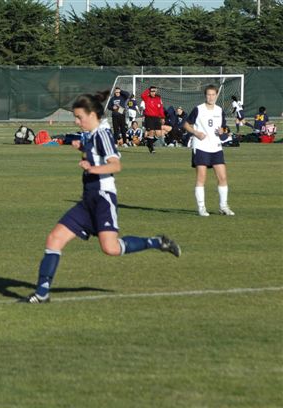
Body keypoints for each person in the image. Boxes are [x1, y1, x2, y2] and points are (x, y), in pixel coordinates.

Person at [20, 91, 181, 304]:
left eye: (79, 117)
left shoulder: (103, 134)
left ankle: (156, 242)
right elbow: (95, 155)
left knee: (111, 249)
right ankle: (42, 293)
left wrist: (91, 168)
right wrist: (83, 149)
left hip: (103, 199)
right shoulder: (92, 135)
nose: (77, 122)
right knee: (54, 239)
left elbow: (115, 165)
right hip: (87, 201)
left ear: (92, 115)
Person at [183, 84, 235, 217]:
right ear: (205, 96)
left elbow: (223, 128)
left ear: (216, 96)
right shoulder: (198, 109)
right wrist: (196, 133)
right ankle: (201, 208)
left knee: (222, 177)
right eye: (208, 94)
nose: (211, 97)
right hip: (201, 147)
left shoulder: (219, 110)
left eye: (213, 95)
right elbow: (186, 124)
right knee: (201, 178)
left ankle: (223, 206)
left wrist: (222, 131)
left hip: (216, 147)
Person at [141, 86, 165, 153]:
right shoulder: (147, 98)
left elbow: (161, 108)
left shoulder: (158, 98)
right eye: (151, 91)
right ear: (149, 91)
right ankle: (151, 148)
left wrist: (162, 117)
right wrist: (148, 89)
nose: (153, 92)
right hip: (149, 117)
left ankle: (149, 143)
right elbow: (142, 95)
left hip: (157, 118)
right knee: (151, 132)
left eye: (154, 91)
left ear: (156, 91)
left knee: (159, 133)